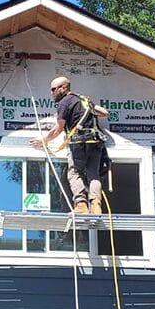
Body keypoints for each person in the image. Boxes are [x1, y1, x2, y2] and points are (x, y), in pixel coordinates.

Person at [30, 76, 109, 214]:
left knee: (74, 173)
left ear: (63, 88)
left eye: (53, 89)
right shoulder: (84, 100)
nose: (51, 93)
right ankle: (96, 206)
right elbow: (104, 113)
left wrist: (43, 140)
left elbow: (58, 129)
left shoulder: (64, 102)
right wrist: (89, 108)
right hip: (95, 142)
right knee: (93, 174)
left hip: (78, 143)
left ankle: (81, 205)